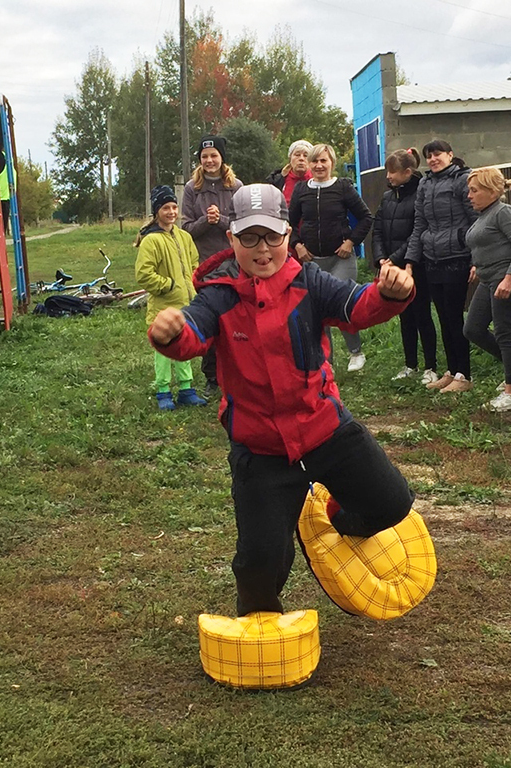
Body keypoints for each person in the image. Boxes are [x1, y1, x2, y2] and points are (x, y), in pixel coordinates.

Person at [149, 184, 417, 616]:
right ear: (232, 237)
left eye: (272, 236)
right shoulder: (218, 295)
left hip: (325, 429)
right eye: (250, 237)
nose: (262, 249)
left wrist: (391, 293)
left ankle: (332, 522)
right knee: (260, 561)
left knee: (393, 503)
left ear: (288, 235)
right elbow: (193, 334)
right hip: (262, 449)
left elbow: (356, 306)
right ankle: (259, 625)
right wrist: (172, 334)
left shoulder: (309, 281)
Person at [288, 143, 374, 372]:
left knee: (343, 305)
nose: (318, 165)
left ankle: (356, 352)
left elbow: (366, 217)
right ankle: (326, 361)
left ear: (331, 164)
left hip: (340, 259)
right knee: (318, 311)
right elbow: (289, 225)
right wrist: (297, 246)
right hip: (312, 261)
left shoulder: (343, 187)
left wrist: (351, 242)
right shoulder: (301, 190)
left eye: (323, 161)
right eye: (314, 161)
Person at [403, 139, 477, 393]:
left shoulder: (462, 179)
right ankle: (451, 371)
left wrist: (475, 258)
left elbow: (476, 220)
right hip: (432, 259)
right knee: (443, 318)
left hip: (457, 257)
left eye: (437, 154)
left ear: (450, 155)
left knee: (456, 319)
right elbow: (419, 224)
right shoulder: (425, 183)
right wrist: (411, 260)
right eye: (429, 156)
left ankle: (464, 375)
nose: (433, 159)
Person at [464, 168, 511, 412]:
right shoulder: (485, 214)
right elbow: (487, 244)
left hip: (504, 280)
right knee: (472, 329)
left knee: (505, 333)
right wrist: (477, 265)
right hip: (487, 279)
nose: (469, 196)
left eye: (474, 190)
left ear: (492, 191)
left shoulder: (504, 212)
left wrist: (509, 278)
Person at [134, 185, 207, 411]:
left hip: (185, 307)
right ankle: (163, 390)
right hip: (162, 309)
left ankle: (186, 389)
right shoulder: (151, 241)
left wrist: (193, 284)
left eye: (174, 207)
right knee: (164, 354)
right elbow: (144, 274)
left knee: (183, 348)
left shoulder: (184, 237)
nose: (172, 212)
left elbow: (195, 263)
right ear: (157, 211)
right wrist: (169, 285)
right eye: (166, 208)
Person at [181, 135, 242, 396]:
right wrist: (206, 220)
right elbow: (185, 228)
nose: (209, 161)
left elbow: (244, 224)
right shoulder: (191, 188)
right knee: (212, 318)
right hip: (206, 265)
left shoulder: (237, 186)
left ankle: (240, 374)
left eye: (213, 155)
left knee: (238, 318)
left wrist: (221, 221)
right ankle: (211, 378)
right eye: (204, 157)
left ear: (222, 158)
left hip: (236, 261)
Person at [375, 148, 438, 385]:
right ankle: (410, 364)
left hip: (415, 265)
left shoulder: (420, 196)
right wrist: (381, 258)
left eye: (393, 172)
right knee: (404, 316)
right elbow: (378, 228)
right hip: (391, 265)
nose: (388, 177)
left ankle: (430, 366)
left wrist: (398, 258)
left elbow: (417, 232)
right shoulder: (387, 197)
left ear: (408, 172)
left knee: (422, 315)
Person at [267, 139, 313, 205]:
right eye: (297, 155)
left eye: (306, 156)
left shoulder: (317, 181)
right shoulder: (277, 180)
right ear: (290, 158)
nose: (301, 159)